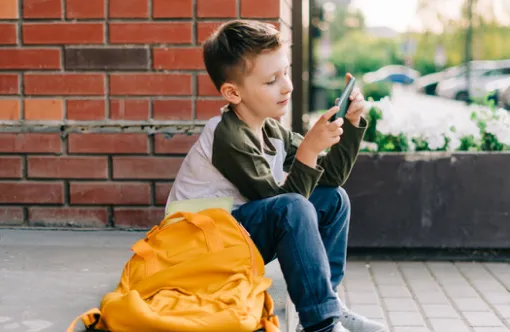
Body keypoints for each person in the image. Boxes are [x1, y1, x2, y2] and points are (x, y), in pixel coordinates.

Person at [165, 19, 386, 332]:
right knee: (292, 208)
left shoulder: (271, 130)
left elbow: (330, 179)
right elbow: (282, 206)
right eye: (272, 80)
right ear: (233, 92)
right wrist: (309, 150)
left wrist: (350, 125)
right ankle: (320, 324)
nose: (287, 85)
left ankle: (327, 304)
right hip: (197, 245)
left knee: (333, 199)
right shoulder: (228, 137)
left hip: (233, 231)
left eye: (286, 72)